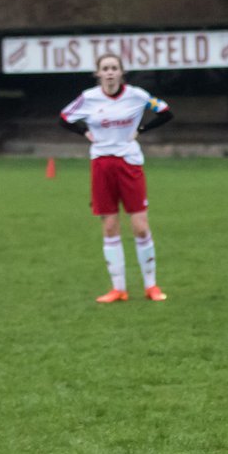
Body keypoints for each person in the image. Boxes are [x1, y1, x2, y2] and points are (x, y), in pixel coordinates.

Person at [60, 53, 173, 303]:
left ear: (122, 72)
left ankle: (151, 285)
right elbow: (65, 118)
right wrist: (85, 132)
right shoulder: (88, 98)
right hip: (101, 164)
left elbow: (165, 112)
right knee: (110, 226)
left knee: (140, 226)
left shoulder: (136, 95)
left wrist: (141, 129)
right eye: (105, 68)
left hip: (129, 163)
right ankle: (118, 288)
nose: (110, 72)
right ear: (98, 74)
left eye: (114, 68)